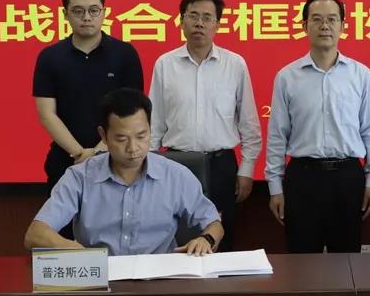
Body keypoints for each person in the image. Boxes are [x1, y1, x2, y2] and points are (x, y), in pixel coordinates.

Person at [24, 88, 224, 256]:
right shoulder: (79, 177)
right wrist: (78, 252)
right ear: (103, 135)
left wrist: (205, 239)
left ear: (150, 129)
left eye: (141, 136)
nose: (133, 148)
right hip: (101, 277)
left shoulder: (176, 175)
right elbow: (35, 235)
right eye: (121, 139)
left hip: (159, 279)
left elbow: (214, 224)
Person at [265, 0, 370, 253]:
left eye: (332, 19)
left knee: (347, 261)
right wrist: (274, 187)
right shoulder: (287, 77)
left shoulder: (360, 75)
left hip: (348, 178)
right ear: (304, 26)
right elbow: (277, 136)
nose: (325, 26)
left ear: (343, 26)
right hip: (303, 178)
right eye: (317, 19)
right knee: (302, 261)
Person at [148, 0, 262, 251]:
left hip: (221, 166)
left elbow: (249, 124)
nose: (199, 23)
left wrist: (246, 170)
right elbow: (155, 123)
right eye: (193, 16)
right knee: (177, 237)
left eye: (207, 17)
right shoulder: (165, 64)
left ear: (217, 25)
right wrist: (150, 167)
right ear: (181, 21)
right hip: (177, 164)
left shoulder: (235, 64)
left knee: (222, 237)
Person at [32, 0, 144, 239]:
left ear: (104, 12)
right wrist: (80, 153)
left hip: (116, 159)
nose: (86, 17)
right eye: (78, 11)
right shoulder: (50, 57)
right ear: (65, 14)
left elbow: (133, 110)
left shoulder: (124, 54)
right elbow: (46, 113)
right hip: (66, 159)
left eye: (94, 10)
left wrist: (101, 150)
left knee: (115, 233)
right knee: (63, 235)